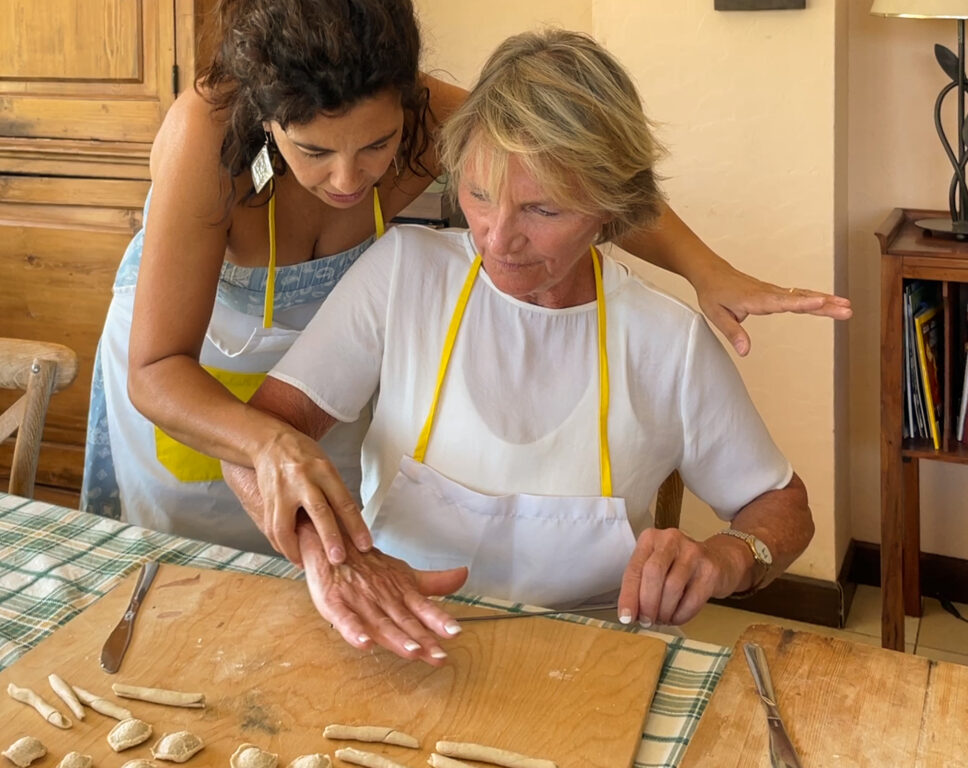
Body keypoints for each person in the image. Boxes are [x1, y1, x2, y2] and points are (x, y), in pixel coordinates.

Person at [82, 0, 843, 560]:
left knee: (330, 555)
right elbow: (158, 369)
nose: (348, 180)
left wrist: (708, 273)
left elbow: (573, 166)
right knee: (181, 578)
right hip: (189, 383)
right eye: (311, 152)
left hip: (314, 396)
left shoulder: (434, 118)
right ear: (266, 118)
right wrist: (271, 445)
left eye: (377, 145)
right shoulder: (205, 135)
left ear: (408, 103)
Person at [222, 28, 816, 666]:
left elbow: (782, 506)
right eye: (479, 195)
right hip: (395, 638)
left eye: (543, 210)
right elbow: (255, 437)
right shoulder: (404, 273)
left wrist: (728, 558)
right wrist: (330, 558)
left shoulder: (667, 342)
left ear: (609, 207)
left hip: (591, 659)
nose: (498, 239)